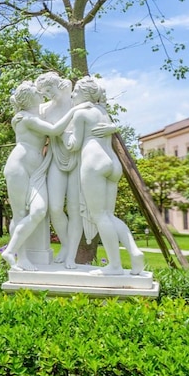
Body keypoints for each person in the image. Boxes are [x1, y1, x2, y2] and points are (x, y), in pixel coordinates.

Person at [1, 81, 89, 271]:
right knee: (19, 214)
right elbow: (55, 130)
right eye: (36, 90)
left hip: (37, 171)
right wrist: (76, 110)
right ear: (28, 97)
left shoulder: (34, 114)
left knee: (40, 211)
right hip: (19, 166)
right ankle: (19, 256)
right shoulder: (24, 117)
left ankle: (12, 250)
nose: (40, 92)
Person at [64, 77, 144, 275]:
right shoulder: (103, 112)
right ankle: (134, 251)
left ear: (84, 94)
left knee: (99, 216)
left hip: (94, 163)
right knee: (108, 215)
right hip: (112, 164)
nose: (72, 95)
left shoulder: (81, 113)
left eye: (75, 91)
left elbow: (74, 144)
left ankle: (115, 266)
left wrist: (64, 134)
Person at [36, 72, 83, 269]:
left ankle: (71, 253)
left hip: (78, 158)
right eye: (43, 92)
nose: (47, 95)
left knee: (74, 209)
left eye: (49, 89)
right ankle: (65, 244)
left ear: (58, 85)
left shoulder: (77, 104)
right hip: (56, 156)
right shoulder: (45, 109)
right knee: (54, 207)